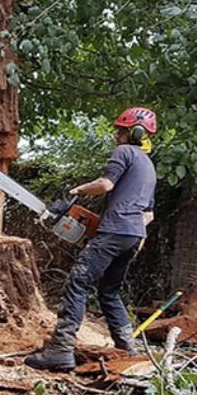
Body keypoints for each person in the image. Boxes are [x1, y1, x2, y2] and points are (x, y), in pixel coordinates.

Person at [25, 107, 158, 372]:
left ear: (135, 132)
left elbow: (105, 185)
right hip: (133, 234)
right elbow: (149, 214)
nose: (116, 135)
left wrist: (76, 190)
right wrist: (129, 233)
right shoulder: (148, 165)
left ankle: (61, 350)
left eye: (121, 129)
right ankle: (128, 348)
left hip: (116, 230)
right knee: (109, 290)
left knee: (78, 281)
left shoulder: (125, 152)